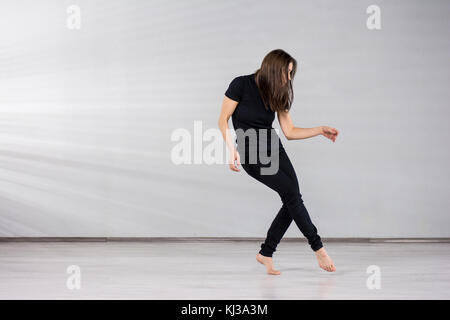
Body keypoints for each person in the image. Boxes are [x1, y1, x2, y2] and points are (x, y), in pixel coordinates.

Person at [218, 49, 339, 275]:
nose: (289, 78)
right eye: (287, 72)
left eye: (292, 73)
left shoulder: (278, 93)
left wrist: (320, 129)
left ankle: (266, 253)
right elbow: (222, 120)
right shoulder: (240, 84)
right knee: (293, 197)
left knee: (292, 197)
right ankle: (318, 248)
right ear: (273, 68)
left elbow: (290, 131)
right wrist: (231, 149)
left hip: (274, 148)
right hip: (251, 152)